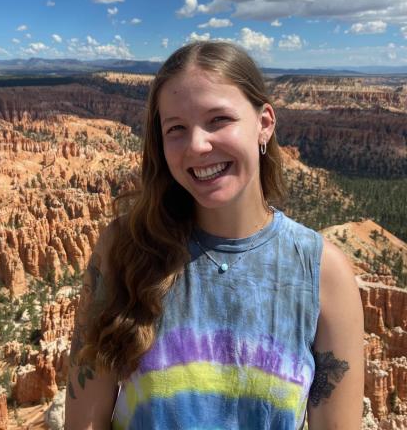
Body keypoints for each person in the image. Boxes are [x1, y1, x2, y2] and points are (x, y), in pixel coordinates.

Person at [65, 41, 364, 429]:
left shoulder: (322, 272)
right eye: (176, 128)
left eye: (218, 120)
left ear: (264, 123)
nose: (197, 145)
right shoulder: (124, 249)